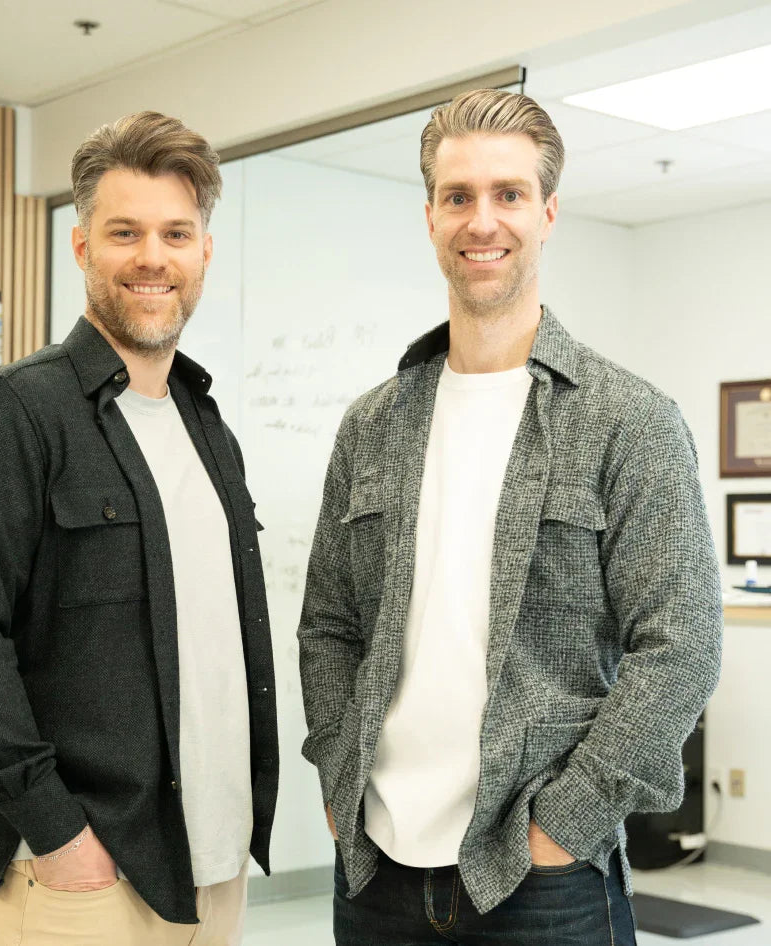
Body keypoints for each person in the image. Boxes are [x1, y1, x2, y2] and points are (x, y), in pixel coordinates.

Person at [297, 88, 722, 945]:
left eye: (508, 194)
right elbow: (329, 625)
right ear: (429, 217)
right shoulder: (372, 425)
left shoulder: (628, 421)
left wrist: (565, 824)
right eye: (457, 196)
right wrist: (339, 779)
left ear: (547, 212)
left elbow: (680, 647)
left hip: (543, 883)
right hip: (375, 870)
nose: (481, 221)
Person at [0, 111, 278, 946]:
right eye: (124, 232)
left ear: (204, 252)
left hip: (214, 870)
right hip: (84, 882)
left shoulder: (207, 427)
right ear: (81, 247)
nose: (152, 257)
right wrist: (58, 833)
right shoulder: (10, 413)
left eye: (175, 234)